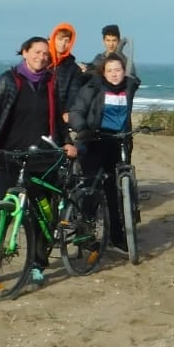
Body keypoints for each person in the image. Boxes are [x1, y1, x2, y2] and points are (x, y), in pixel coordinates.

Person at [0, 37, 78, 287]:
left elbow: (58, 119)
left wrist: (67, 142)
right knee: (3, 213)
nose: (41, 57)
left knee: (41, 216)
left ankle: (37, 263)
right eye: (36, 52)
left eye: (45, 53)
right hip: (11, 155)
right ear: (24, 52)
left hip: (44, 157)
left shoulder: (52, 82)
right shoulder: (8, 80)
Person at [69, 53, 142, 255]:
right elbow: (76, 111)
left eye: (118, 70)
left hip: (117, 141)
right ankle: (85, 234)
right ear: (103, 72)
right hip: (94, 140)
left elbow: (135, 82)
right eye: (110, 70)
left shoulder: (129, 86)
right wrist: (82, 128)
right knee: (91, 188)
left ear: (124, 70)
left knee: (114, 192)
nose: (114, 74)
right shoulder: (93, 87)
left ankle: (117, 238)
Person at [48, 22, 85, 125]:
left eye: (66, 41)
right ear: (53, 38)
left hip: (59, 112)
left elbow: (73, 93)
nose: (62, 44)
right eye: (59, 39)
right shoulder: (43, 60)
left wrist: (67, 111)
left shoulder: (74, 69)